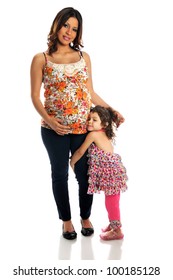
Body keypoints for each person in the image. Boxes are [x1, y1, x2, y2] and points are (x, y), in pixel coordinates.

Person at [30, 7, 125, 240]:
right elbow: (34, 96)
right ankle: (67, 221)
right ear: (56, 25)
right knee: (60, 174)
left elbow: (90, 92)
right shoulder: (41, 59)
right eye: (66, 25)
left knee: (84, 175)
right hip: (53, 131)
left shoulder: (84, 58)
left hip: (82, 129)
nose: (69, 32)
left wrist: (111, 111)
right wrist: (51, 122)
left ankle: (85, 216)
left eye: (74, 29)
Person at [70, 105, 128, 240]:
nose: (90, 122)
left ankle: (117, 231)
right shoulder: (103, 133)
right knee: (113, 200)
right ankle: (113, 223)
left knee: (111, 202)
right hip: (115, 170)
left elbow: (80, 151)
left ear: (105, 123)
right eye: (89, 118)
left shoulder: (93, 134)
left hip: (111, 173)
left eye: (94, 120)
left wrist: (72, 162)